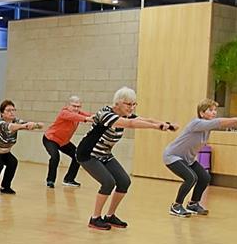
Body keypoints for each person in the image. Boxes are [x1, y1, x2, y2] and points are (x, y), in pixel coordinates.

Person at [76, 86, 177, 231]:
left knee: (124, 181)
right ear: (117, 103)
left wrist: (165, 124)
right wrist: (156, 127)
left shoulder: (126, 114)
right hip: (88, 154)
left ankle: (110, 216)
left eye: (134, 104)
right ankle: (95, 218)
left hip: (104, 154)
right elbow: (130, 124)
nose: (132, 108)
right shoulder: (105, 114)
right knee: (108, 182)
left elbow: (143, 119)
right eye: (128, 104)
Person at [164, 99, 237, 217]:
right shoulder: (196, 123)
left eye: (215, 110)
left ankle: (193, 204)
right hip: (173, 156)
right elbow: (219, 122)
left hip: (188, 159)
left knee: (205, 177)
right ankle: (176, 206)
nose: (214, 112)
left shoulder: (207, 128)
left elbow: (223, 123)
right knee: (191, 177)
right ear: (202, 113)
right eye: (210, 110)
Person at [0, 99, 39, 196]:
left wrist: (35, 125)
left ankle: (5, 187)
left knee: (13, 162)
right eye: (8, 110)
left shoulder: (17, 121)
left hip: (2, 151)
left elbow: (26, 124)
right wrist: (25, 126)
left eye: (13, 110)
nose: (12, 112)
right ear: (2, 113)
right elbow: (11, 127)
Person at [42, 95, 92, 188]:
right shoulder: (64, 112)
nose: (76, 108)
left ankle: (69, 179)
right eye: (74, 106)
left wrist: (100, 117)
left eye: (78, 106)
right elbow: (75, 116)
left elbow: (90, 116)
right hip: (50, 139)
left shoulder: (78, 113)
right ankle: (50, 181)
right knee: (55, 156)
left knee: (77, 155)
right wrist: (86, 119)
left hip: (63, 142)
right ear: (68, 105)